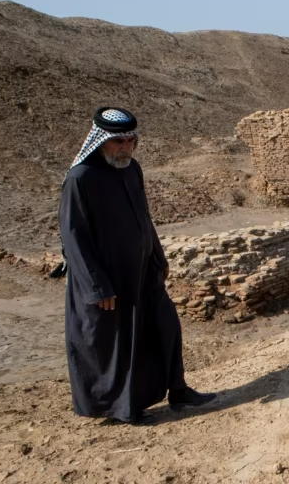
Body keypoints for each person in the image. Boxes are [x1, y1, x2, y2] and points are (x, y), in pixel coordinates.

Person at [57, 107, 215, 424]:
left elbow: (144, 218)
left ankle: (179, 389)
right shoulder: (81, 178)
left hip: (143, 273)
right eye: (118, 142)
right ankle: (124, 408)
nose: (125, 148)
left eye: (130, 141)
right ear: (101, 141)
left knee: (165, 325)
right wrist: (97, 285)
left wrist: (158, 255)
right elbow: (73, 237)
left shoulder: (132, 169)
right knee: (119, 346)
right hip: (110, 281)